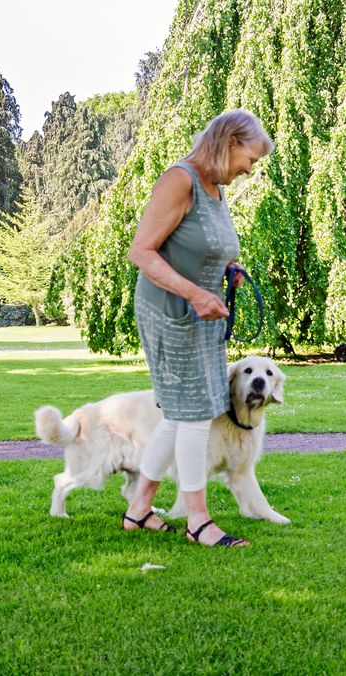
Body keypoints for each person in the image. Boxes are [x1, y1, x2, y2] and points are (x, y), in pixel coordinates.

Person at [123, 109, 273, 547]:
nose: (250, 168)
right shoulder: (180, 179)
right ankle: (198, 521)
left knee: (177, 416)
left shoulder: (217, 190)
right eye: (250, 157)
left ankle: (138, 511)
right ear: (229, 141)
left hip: (204, 313)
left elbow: (196, 244)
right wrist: (194, 293)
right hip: (173, 312)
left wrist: (227, 267)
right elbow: (143, 253)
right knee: (192, 416)